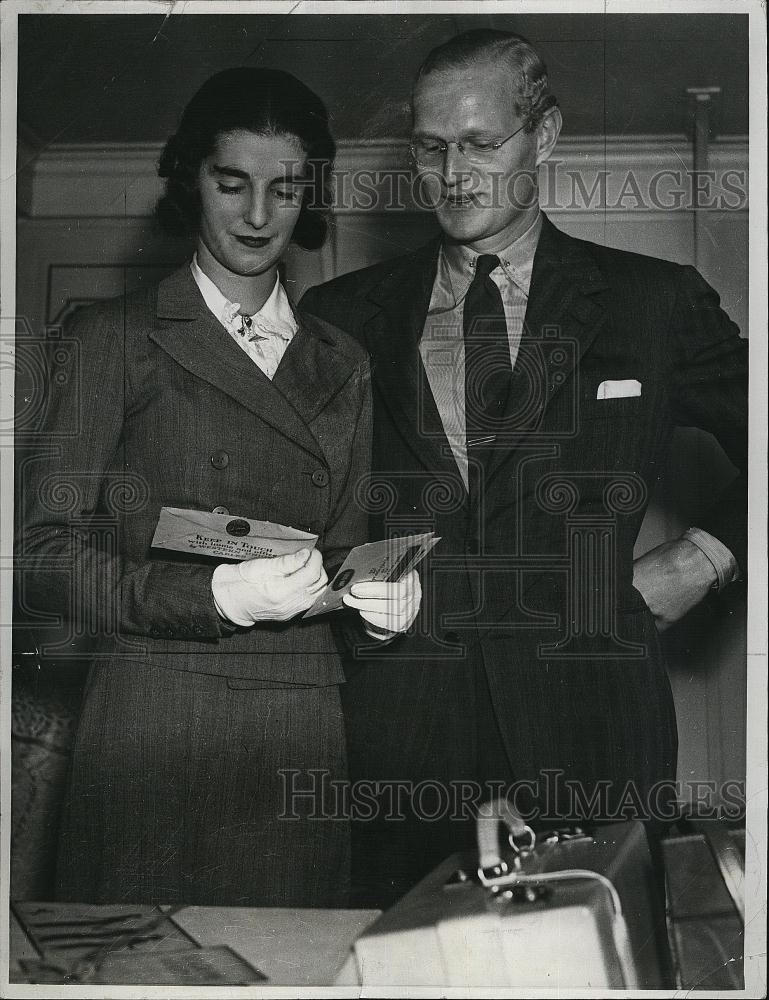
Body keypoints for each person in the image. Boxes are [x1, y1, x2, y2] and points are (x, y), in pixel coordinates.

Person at [301, 30, 748, 905]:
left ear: (542, 138)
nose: (452, 172)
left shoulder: (652, 303)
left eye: (479, 142)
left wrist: (705, 555)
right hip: (398, 739)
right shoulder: (340, 314)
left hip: (595, 723)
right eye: (431, 148)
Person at [17, 67, 420, 908]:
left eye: (285, 189)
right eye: (231, 184)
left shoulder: (341, 361)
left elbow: (337, 551)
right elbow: (40, 556)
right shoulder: (111, 338)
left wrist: (377, 600)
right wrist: (218, 597)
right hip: (156, 714)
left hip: (301, 721)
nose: (259, 216)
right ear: (188, 182)